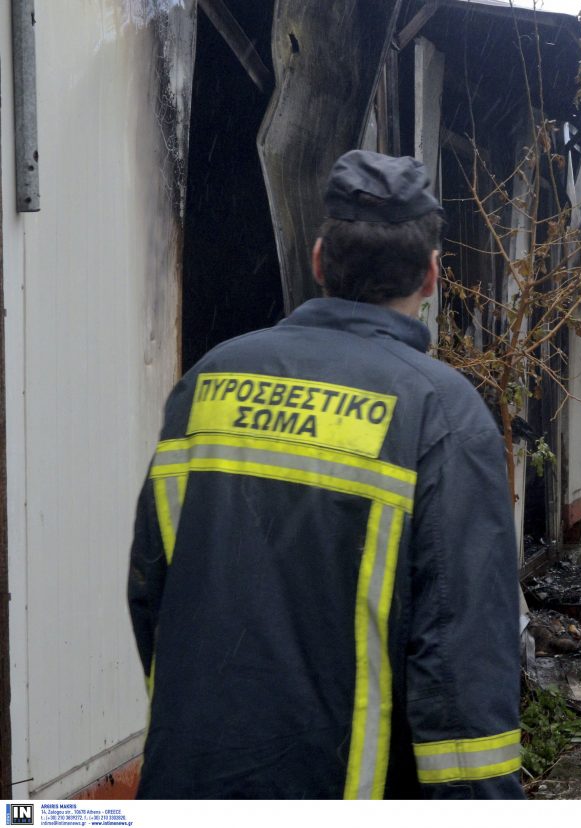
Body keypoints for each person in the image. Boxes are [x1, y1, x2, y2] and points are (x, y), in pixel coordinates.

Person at [127, 151, 523, 799]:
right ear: (430, 277)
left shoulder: (209, 382)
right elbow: (461, 672)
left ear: (318, 261)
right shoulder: (442, 414)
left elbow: (151, 589)